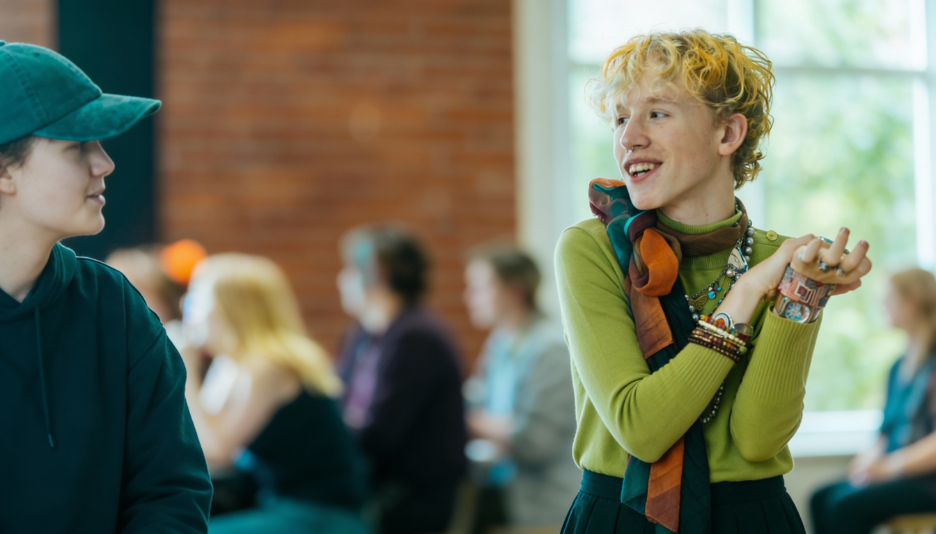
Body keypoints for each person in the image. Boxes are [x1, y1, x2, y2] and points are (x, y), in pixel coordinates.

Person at [555, 30, 873, 533]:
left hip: (752, 518)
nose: (629, 137)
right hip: (620, 517)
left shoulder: (781, 260)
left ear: (727, 135)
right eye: (620, 117)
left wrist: (801, 297)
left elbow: (757, 440)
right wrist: (746, 294)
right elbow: (641, 428)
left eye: (656, 113)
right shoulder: (591, 249)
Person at [0, 42, 211, 532]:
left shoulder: (115, 307)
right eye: (77, 146)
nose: (105, 163)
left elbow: (171, 490)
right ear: (4, 170)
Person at [179, 253, 369, 534]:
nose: (186, 307)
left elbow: (217, 451)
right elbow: (199, 440)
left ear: (232, 307)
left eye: (197, 298)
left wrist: (185, 372)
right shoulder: (231, 365)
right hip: (280, 506)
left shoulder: (270, 366)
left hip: (319, 515)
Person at [336, 225, 468, 534]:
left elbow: (383, 434)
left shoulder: (416, 337)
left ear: (376, 274)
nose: (340, 280)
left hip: (409, 497)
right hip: (377, 484)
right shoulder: (362, 336)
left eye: (349, 270)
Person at [463, 245, 580, 531]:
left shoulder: (550, 348)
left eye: (479, 288)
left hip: (546, 508)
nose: (469, 298)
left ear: (513, 292)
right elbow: (476, 402)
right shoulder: (499, 343)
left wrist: (468, 422)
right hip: (507, 496)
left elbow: (534, 440)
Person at [811, 268, 936, 533]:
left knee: (845, 506)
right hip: (897, 472)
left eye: (888, 298)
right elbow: (885, 431)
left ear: (912, 302)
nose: (882, 306)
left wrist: (889, 467)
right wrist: (867, 462)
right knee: (820, 498)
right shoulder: (898, 367)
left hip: (926, 480)